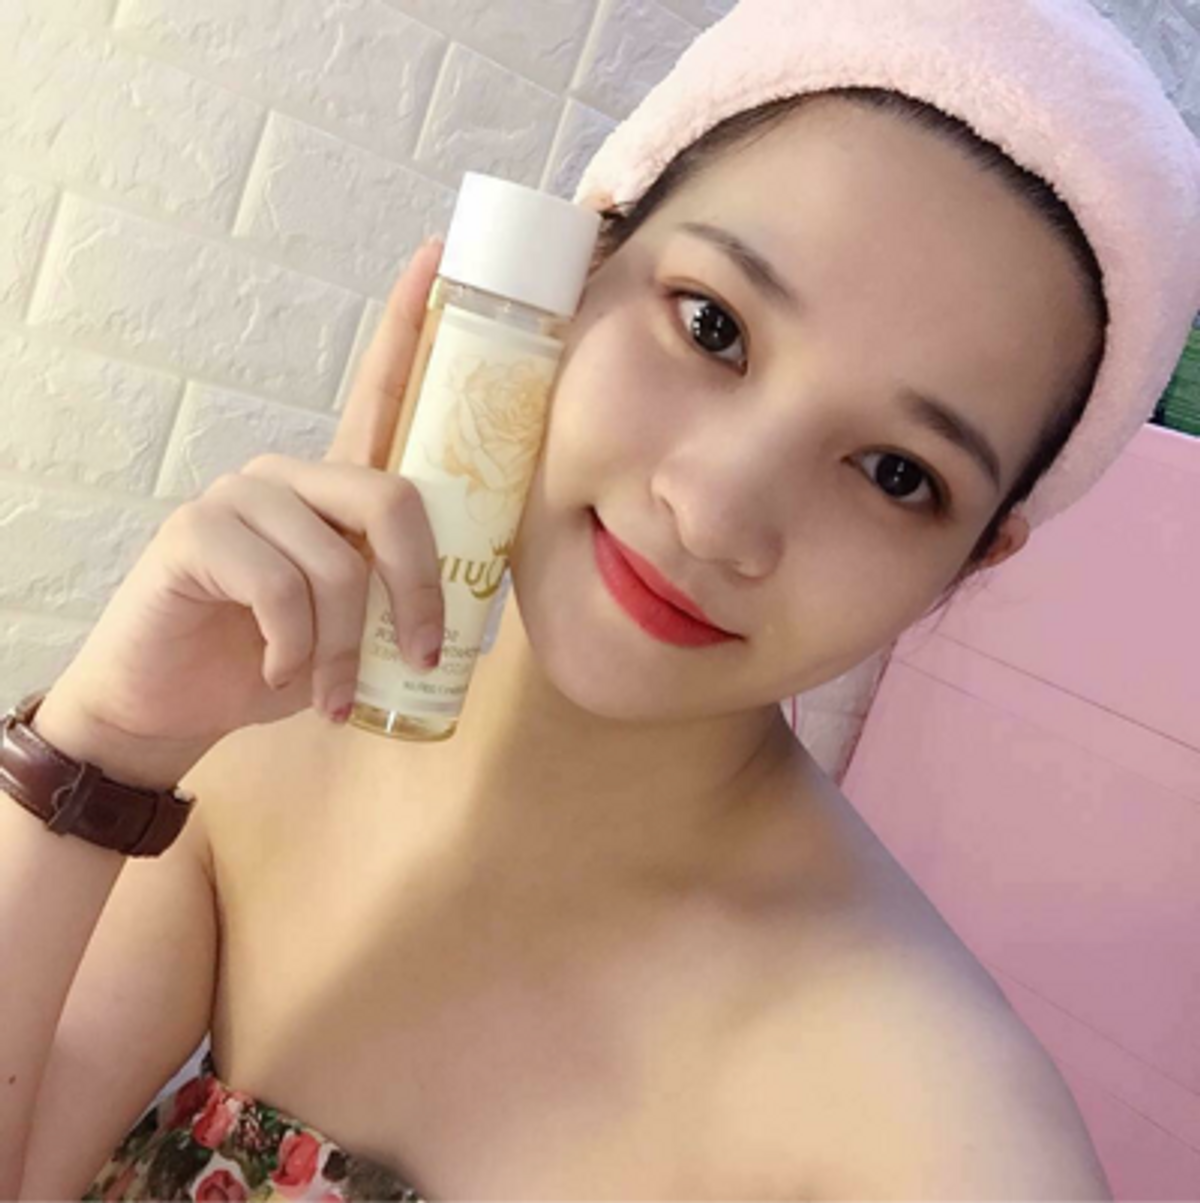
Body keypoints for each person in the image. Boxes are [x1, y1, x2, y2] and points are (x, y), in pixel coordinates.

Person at [3, 2, 1198, 1201]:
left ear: (972, 562)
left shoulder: (931, 1127)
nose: (716, 513)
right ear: (571, 272)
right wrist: (106, 743)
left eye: (897, 474)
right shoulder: (260, 758)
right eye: (713, 326)